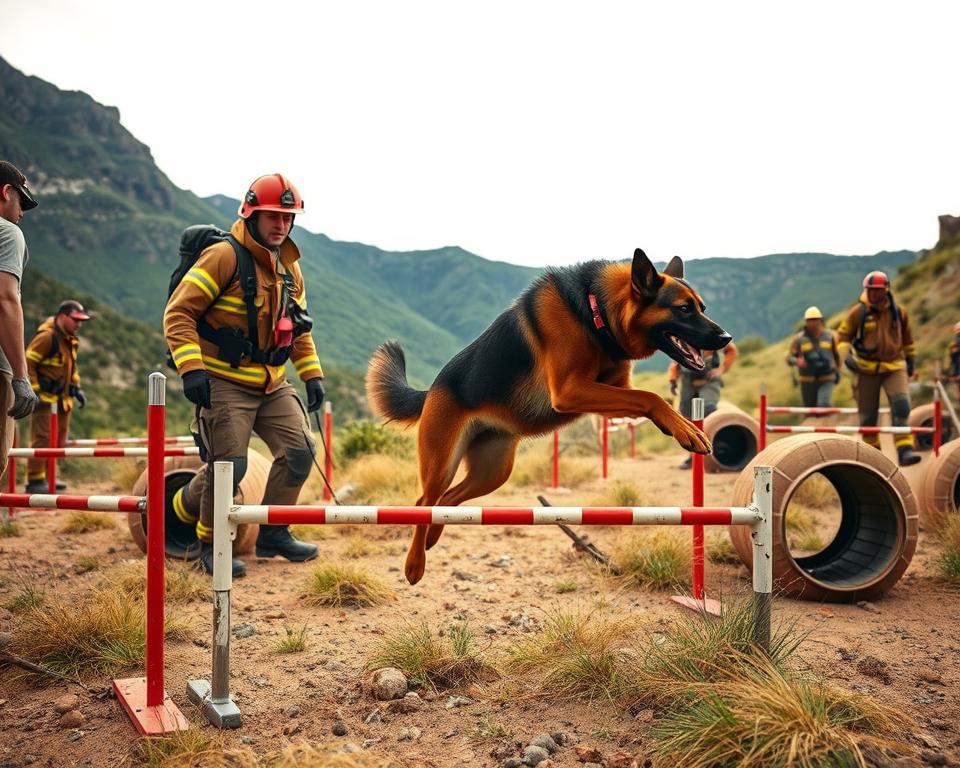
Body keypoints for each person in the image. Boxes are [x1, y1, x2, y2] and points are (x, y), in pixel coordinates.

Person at [163, 173, 325, 577]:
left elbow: (297, 328)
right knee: (228, 467)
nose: (281, 225)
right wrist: (191, 369)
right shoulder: (224, 257)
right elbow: (179, 314)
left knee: (300, 452)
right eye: (273, 216)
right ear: (251, 214)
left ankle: (273, 532)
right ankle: (209, 543)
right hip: (221, 381)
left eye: (288, 218)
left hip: (271, 382)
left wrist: (311, 376)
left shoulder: (290, 268)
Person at [837, 271, 920, 466]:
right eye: (870, 290)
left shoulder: (899, 313)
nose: (874, 294)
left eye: (878, 291)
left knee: (902, 405)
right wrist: (846, 356)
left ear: (886, 290)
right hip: (866, 369)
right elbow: (842, 337)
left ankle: (905, 450)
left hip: (894, 366)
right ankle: (874, 458)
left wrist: (911, 361)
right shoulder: (858, 312)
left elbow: (908, 340)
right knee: (868, 417)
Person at [23, 300, 92, 492]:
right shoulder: (47, 337)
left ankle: (49, 476)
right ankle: (35, 481)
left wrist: (76, 388)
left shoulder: (70, 339)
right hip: (45, 401)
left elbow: (71, 368)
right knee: (43, 440)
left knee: (58, 442)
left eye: (81, 321)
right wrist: (34, 392)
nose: (79, 325)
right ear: (62, 317)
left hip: (62, 401)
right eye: (75, 320)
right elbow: (28, 364)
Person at [0, 161, 40, 485]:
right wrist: (20, 376)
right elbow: (5, 299)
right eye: (21, 202)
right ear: (5, 192)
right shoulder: (8, 233)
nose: (22, 212)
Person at [668, 340, 738, 468]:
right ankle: (693, 456)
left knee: (708, 409)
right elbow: (675, 363)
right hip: (688, 379)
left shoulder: (709, 333)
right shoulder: (680, 336)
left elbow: (731, 350)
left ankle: (714, 450)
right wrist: (672, 380)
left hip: (709, 378)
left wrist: (722, 369)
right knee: (687, 419)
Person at [786, 306, 840, 408]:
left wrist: (837, 371)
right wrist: (797, 361)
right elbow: (789, 358)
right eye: (809, 320)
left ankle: (828, 420)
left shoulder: (830, 337)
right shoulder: (799, 339)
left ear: (820, 320)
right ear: (805, 321)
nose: (812, 323)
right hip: (807, 380)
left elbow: (837, 356)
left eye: (815, 320)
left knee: (823, 404)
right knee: (809, 410)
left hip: (826, 377)